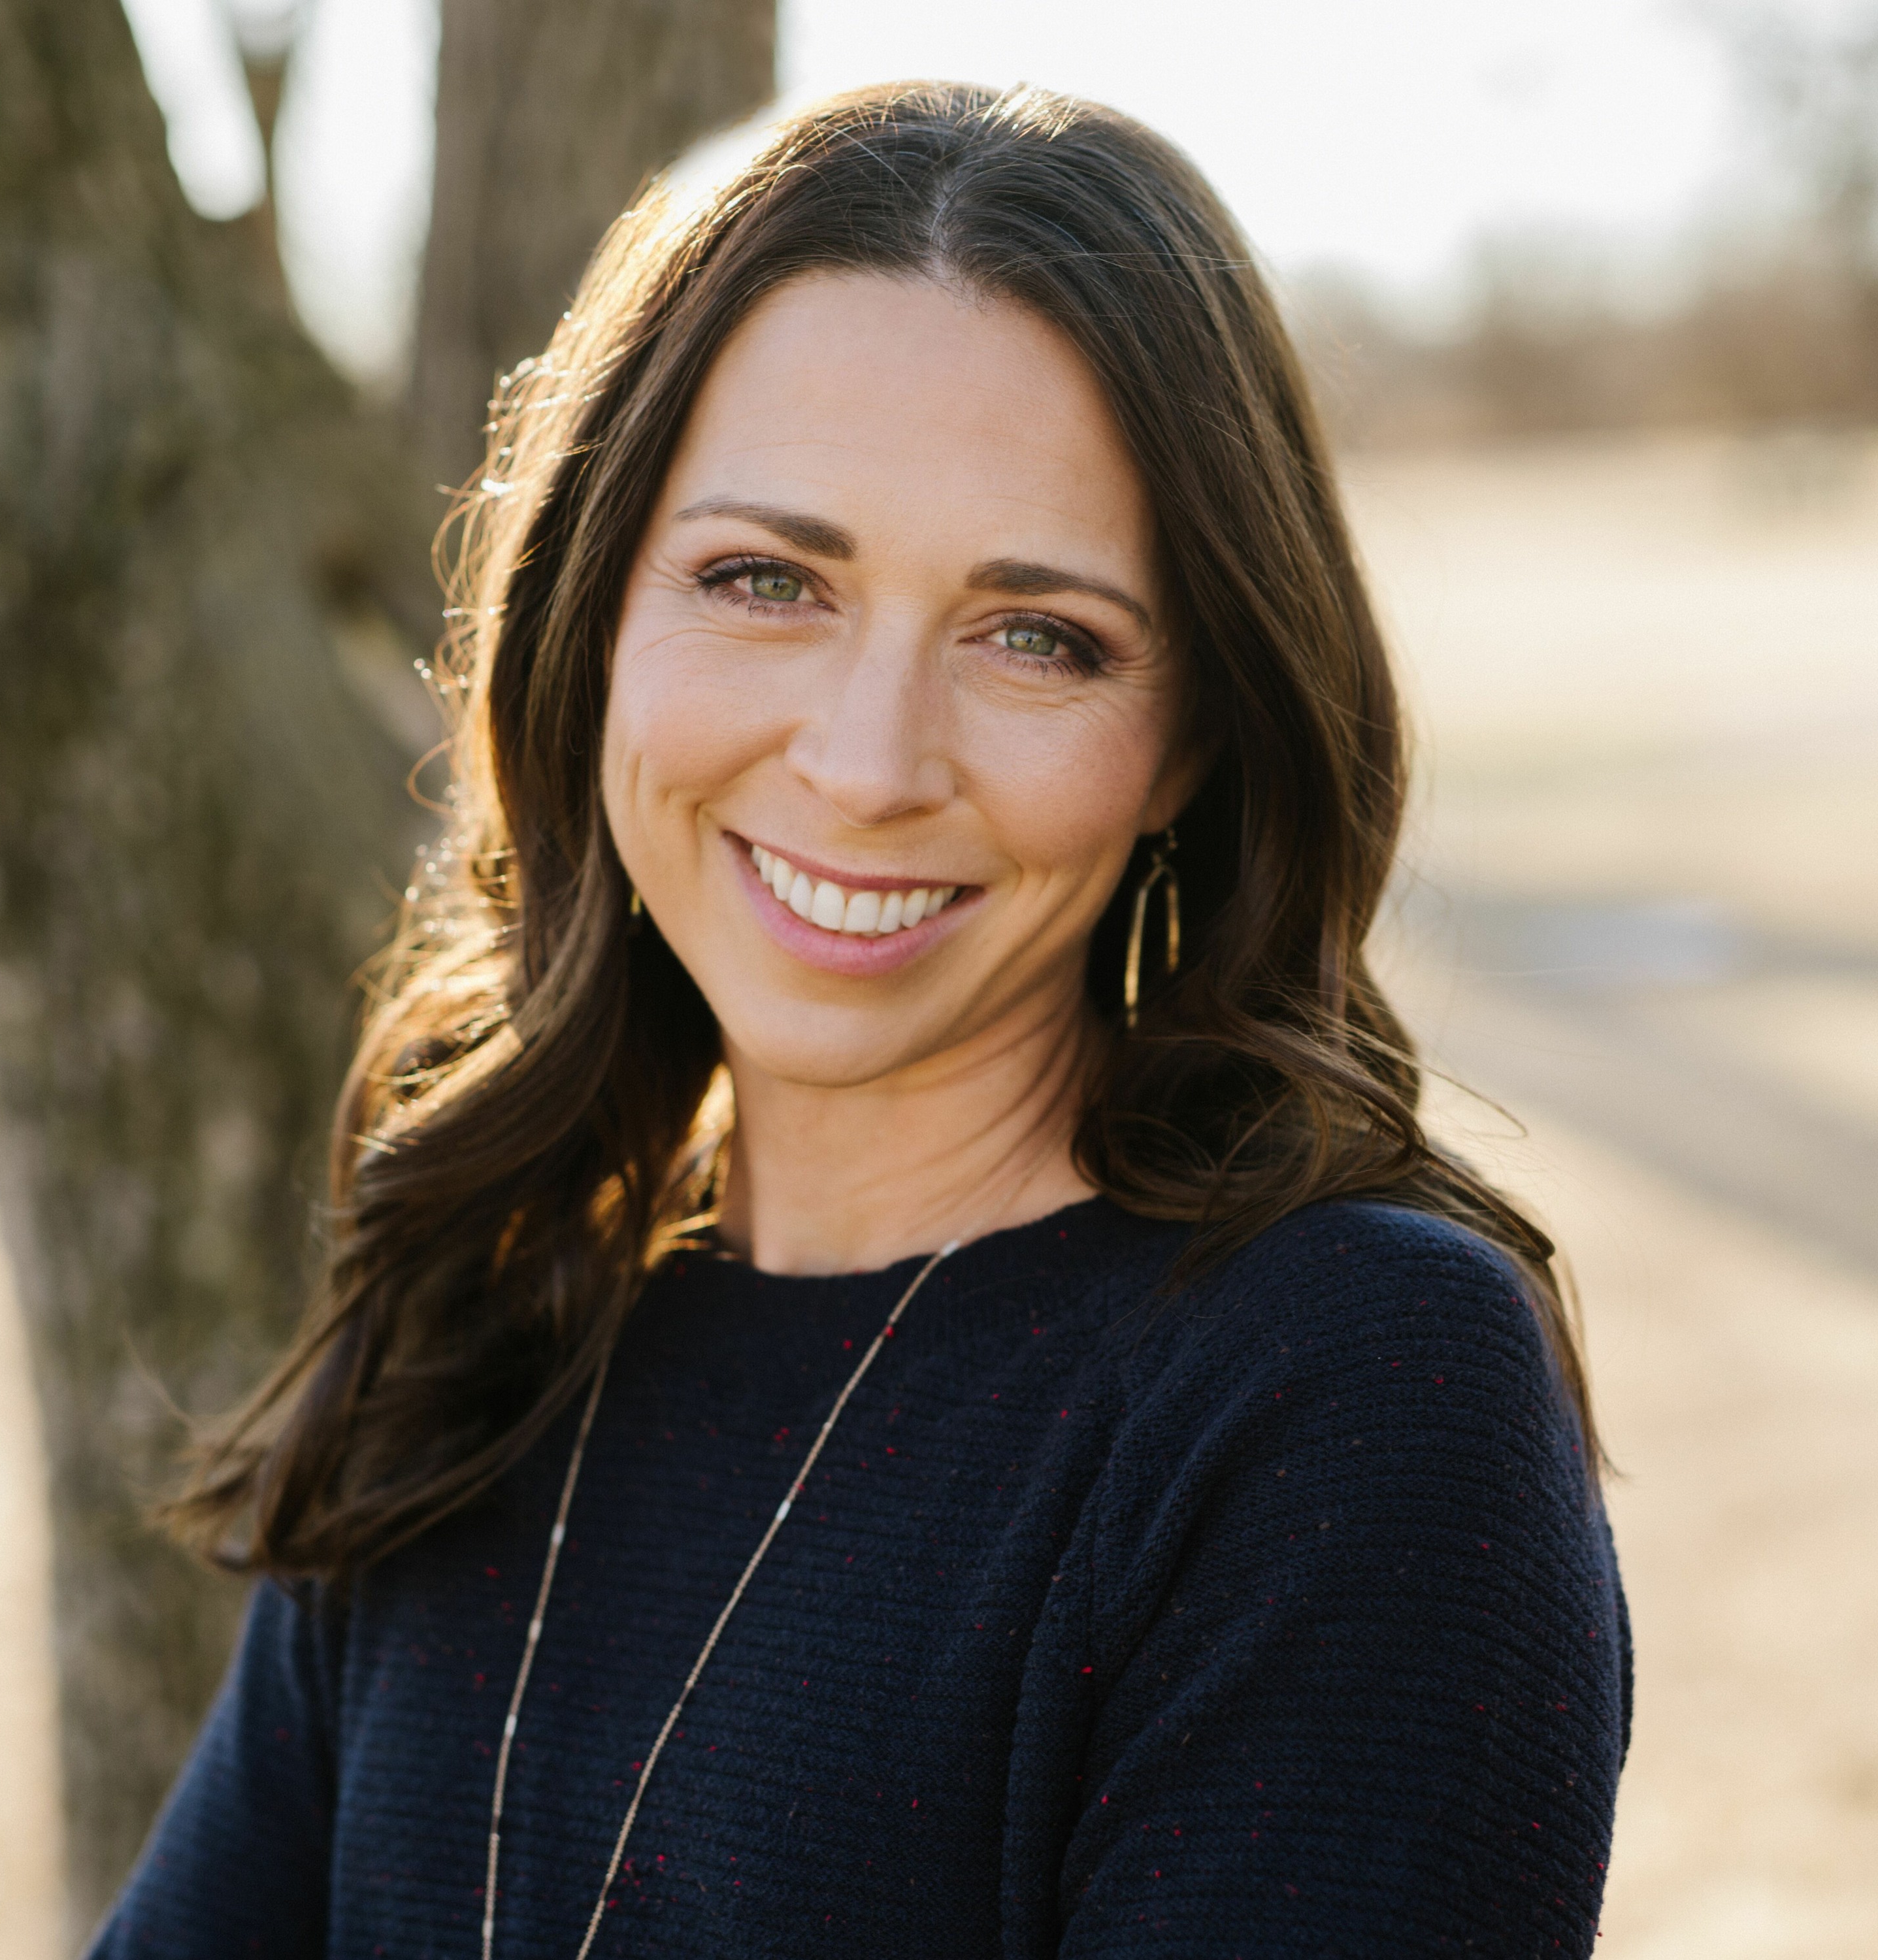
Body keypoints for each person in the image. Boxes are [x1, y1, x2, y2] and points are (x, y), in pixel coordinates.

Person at [90, 80, 1630, 1959]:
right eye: (767, 580)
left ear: (1194, 740)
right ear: (593, 616)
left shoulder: (1349, 1398)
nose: (868, 762)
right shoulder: (483, 1325)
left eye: (1037, 635)